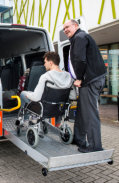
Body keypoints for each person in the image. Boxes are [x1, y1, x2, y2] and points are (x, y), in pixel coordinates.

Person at [63, 19, 106, 153]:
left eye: (67, 27)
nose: (65, 30)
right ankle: (79, 138)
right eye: (64, 29)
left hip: (90, 80)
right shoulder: (79, 37)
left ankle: (95, 146)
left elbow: (80, 60)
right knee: (82, 111)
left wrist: (80, 78)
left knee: (90, 113)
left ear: (76, 26)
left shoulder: (80, 37)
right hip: (92, 79)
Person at [20, 52, 72, 125]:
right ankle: (57, 123)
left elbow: (36, 97)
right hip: (60, 109)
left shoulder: (45, 76)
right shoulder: (68, 76)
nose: (44, 64)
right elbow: (71, 96)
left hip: (45, 109)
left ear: (50, 63)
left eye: (45, 62)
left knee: (23, 94)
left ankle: (24, 121)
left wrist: (27, 95)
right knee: (58, 102)